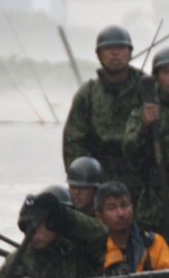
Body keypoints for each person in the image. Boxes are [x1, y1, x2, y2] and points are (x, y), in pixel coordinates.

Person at [62, 25, 145, 201]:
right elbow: (73, 142)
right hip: (99, 177)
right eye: (109, 49)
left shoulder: (147, 88)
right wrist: (81, 182)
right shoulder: (88, 93)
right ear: (99, 55)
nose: (115, 53)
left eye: (121, 48)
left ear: (129, 53)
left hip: (141, 177)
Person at [123, 46, 169, 248]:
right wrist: (144, 127)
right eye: (166, 72)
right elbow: (129, 152)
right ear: (157, 78)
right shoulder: (143, 112)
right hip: (156, 202)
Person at [93, 180, 169, 276]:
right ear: (99, 217)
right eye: (112, 208)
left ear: (132, 209)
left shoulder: (152, 243)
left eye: (124, 205)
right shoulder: (95, 252)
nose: (120, 213)